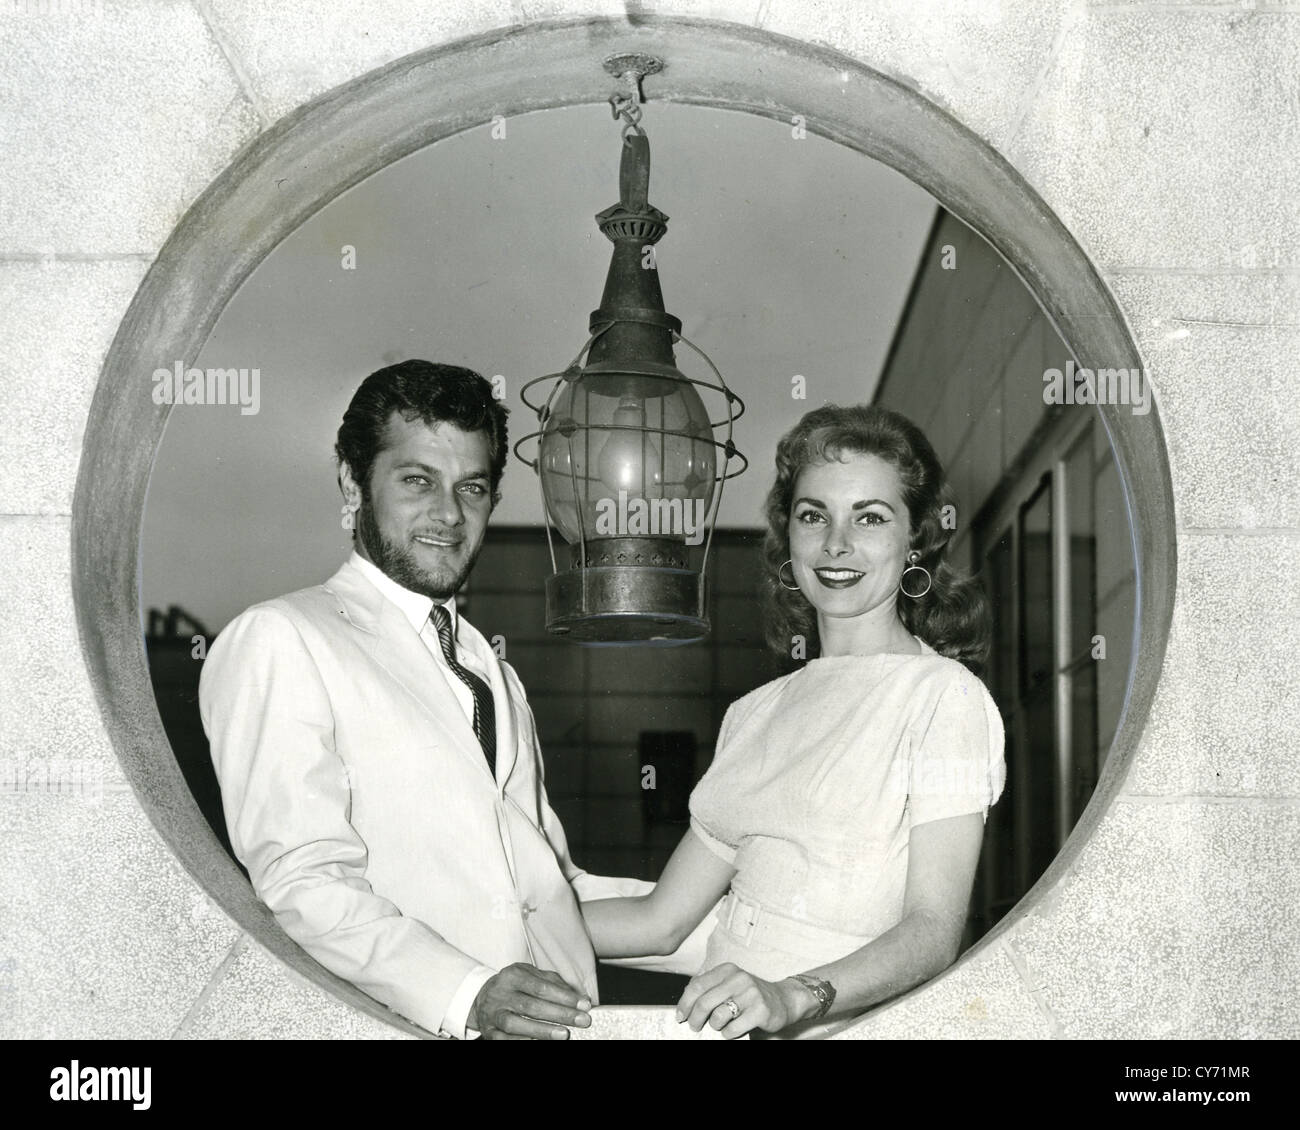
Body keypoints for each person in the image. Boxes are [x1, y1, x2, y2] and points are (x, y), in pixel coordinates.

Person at [200, 360, 704, 1041]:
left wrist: (766, 936)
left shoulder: (488, 670)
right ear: (353, 483)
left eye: (471, 488)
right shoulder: (282, 638)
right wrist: (469, 995)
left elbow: (549, 891)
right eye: (416, 481)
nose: (447, 514)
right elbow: (304, 885)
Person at [583, 403, 1007, 1039]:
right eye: (815, 516)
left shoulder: (943, 697)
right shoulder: (753, 713)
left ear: (915, 536)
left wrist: (790, 997)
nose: (837, 544)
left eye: (870, 517)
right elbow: (661, 922)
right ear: (791, 537)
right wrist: (503, 920)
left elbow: (931, 934)